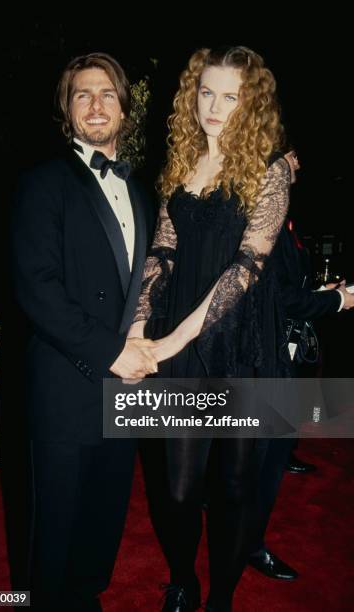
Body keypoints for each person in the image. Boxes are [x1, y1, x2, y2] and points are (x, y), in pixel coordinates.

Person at [128, 45, 293, 612]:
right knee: (176, 489)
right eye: (206, 92)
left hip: (239, 343)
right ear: (191, 94)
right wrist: (140, 325)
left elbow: (246, 270)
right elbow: (163, 251)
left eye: (230, 96)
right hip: (179, 341)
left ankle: (220, 597)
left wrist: (171, 340)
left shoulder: (269, 169)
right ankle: (183, 578)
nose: (214, 106)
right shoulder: (182, 160)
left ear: (251, 103)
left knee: (234, 486)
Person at [11, 52, 157, 611]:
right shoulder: (42, 183)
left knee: (104, 513)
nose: (96, 105)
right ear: (66, 110)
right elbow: (37, 288)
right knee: (54, 523)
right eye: (82, 95)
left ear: (124, 107)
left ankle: (86, 594)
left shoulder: (140, 192)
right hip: (66, 382)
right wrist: (111, 353)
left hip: (125, 387)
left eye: (107, 94)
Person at [248, 148, 354, 580]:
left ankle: (246, 538)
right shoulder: (265, 220)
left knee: (267, 458)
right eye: (288, 156)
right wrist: (336, 300)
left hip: (278, 354)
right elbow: (280, 298)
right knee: (260, 464)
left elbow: (290, 288)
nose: (296, 164)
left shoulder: (285, 218)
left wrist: (322, 290)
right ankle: (248, 545)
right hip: (264, 357)